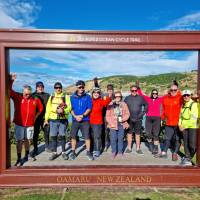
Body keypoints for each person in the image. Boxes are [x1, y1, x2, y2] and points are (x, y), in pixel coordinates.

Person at [10, 73, 43, 166]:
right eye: (25, 94)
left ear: (31, 93)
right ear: (22, 92)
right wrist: (12, 80)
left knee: (28, 140)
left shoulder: (35, 99)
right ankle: (19, 158)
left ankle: (27, 156)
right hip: (19, 124)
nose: (27, 96)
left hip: (30, 124)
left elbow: (40, 109)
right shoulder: (18, 97)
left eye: (28, 94)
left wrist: (35, 117)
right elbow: (9, 91)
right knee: (19, 141)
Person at [44, 82, 71, 160]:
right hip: (53, 120)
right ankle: (54, 153)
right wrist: (46, 119)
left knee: (62, 136)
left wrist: (63, 111)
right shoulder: (51, 97)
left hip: (62, 120)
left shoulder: (66, 97)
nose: (58, 89)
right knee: (53, 136)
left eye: (59, 87)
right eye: (56, 87)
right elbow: (48, 109)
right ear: (54, 88)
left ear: (61, 88)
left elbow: (69, 107)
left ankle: (63, 152)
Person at [137, 81, 163, 155]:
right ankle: (151, 144)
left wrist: (174, 87)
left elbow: (168, 95)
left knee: (156, 134)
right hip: (148, 118)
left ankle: (155, 148)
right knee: (148, 133)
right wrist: (138, 87)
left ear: (157, 94)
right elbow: (141, 94)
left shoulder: (160, 99)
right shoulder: (148, 99)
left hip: (157, 118)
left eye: (156, 93)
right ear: (151, 93)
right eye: (153, 93)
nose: (155, 94)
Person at [69, 80, 93, 161]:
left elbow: (89, 108)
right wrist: (75, 116)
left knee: (87, 137)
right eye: (80, 87)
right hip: (75, 120)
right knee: (73, 137)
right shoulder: (72, 97)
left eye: (83, 87)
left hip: (85, 119)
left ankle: (88, 152)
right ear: (77, 87)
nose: (82, 89)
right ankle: (73, 152)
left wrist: (82, 115)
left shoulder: (88, 97)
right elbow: (70, 109)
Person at [158, 81, 182, 161]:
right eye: (171, 90)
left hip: (178, 123)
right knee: (167, 138)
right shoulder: (165, 98)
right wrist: (162, 118)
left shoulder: (181, 98)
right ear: (169, 90)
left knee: (177, 139)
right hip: (168, 122)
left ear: (177, 90)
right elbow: (162, 109)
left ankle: (175, 153)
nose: (173, 92)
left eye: (175, 90)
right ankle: (164, 152)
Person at [124, 85, 148, 155]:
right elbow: (123, 107)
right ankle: (129, 148)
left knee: (137, 134)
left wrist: (143, 113)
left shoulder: (141, 98)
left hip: (138, 119)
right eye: (132, 90)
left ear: (137, 91)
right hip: (129, 119)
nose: (134, 92)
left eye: (135, 90)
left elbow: (146, 105)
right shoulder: (127, 98)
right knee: (129, 134)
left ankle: (138, 149)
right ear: (130, 91)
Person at [106, 91, 130, 159]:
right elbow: (107, 116)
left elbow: (127, 114)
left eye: (119, 96)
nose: (117, 98)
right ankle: (114, 152)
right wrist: (111, 123)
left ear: (121, 97)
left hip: (121, 124)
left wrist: (122, 119)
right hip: (113, 124)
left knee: (120, 138)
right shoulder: (110, 104)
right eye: (116, 96)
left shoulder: (124, 104)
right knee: (113, 139)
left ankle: (120, 152)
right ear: (114, 97)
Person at [90, 87, 111, 158]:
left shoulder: (101, 101)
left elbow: (107, 100)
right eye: (94, 92)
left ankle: (97, 150)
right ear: (92, 93)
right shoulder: (90, 100)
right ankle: (92, 148)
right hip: (89, 122)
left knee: (97, 137)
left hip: (98, 122)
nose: (96, 94)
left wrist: (103, 94)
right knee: (91, 136)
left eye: (98, 93)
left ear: (100, 94)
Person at [178, 90, 199, 166]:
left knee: (193, 145)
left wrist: (184, 126)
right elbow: (180, 117)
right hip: (183, 127)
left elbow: (194, 119)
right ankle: (187, 158)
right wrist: (179, 124)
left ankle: (188, 157)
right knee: (186, 144)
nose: (186, 96)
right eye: (184, 95)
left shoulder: (193, 105)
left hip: (192, 127)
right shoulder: (183, 105)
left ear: (190, 96)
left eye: (188, 95)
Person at [31, 81, 50, 156]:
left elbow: (50, 106)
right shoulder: (32, 95)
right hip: (36, 118)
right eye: (39, 87)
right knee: (35, 133)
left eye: (42, 86)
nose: (40, 88)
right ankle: (35, 148)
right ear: (36, 87)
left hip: (45, 118)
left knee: (47, 132)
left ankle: (47, 147)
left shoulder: (47, 95)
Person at [102, 84, 115, 151]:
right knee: (105, 131)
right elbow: (103, 105)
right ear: (107, 90)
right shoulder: (104, 96)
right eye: (108, 90)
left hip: (113, 117)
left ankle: (114, 145)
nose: (110, 91)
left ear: (113, 90)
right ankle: (105, 145)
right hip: (105, 116)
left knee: (113, 130)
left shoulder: (115, 97)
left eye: (111, 90)